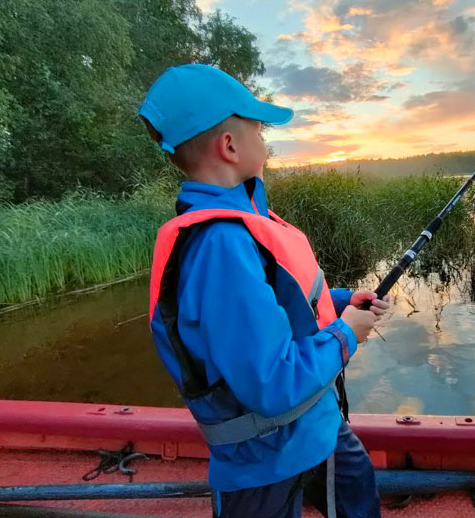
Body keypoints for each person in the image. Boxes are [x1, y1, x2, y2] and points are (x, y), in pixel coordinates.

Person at [140, 63, 389, 518]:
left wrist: (339, 303)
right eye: (258, 128)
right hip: (265, 460)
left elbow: (281, 307)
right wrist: (347, 335)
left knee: (357, 488)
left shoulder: (247, 225)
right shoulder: (221, 245)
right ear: (230, 146)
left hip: (315, 424)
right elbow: (271, 384)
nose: (265, 139)